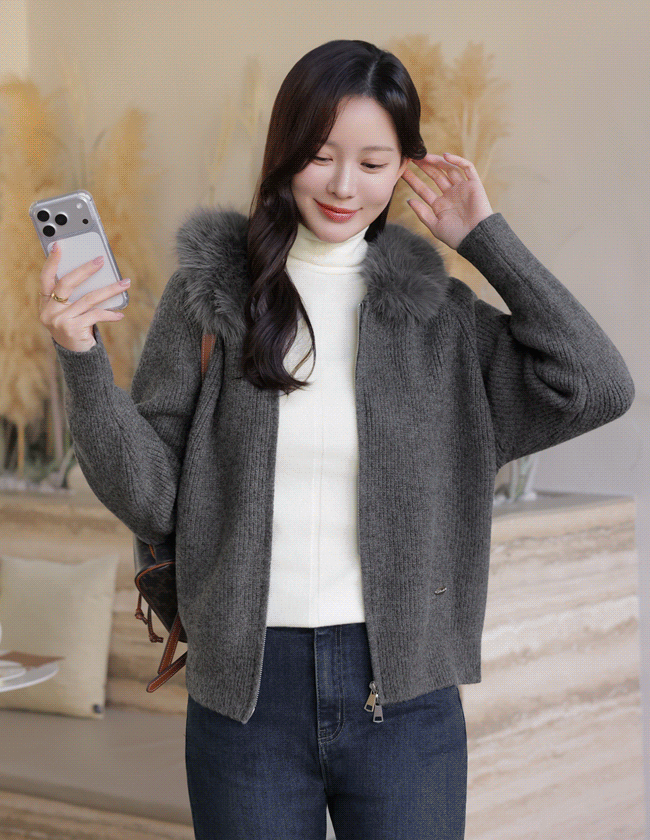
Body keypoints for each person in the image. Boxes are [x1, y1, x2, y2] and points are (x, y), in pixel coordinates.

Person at [39, 39, 634, 840]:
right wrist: (80, 358)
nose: (345, 186)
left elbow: (598, 384)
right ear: (284, 152)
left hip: (406, 698)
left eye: (373, 162)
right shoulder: (209, 298)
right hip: (246, 698)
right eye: (321, 156)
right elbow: (151, 497)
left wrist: (484, 236)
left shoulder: (439, 321)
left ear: (404, 168)